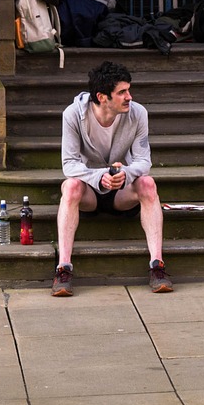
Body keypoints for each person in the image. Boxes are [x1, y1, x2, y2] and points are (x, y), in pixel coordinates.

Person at [53, 61, 171, 297]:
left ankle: (157, 266)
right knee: (70, 186)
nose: (129, 96)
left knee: (148, 183)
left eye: (128, 90)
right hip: (89, 192)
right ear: (102, 96)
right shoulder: (73, 114)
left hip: (122, 192)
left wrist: (126, 173)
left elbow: (143, 161)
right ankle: (63, 269)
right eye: (122, 92)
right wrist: (99, 176)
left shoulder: (138, 113)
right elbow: (69, 165)